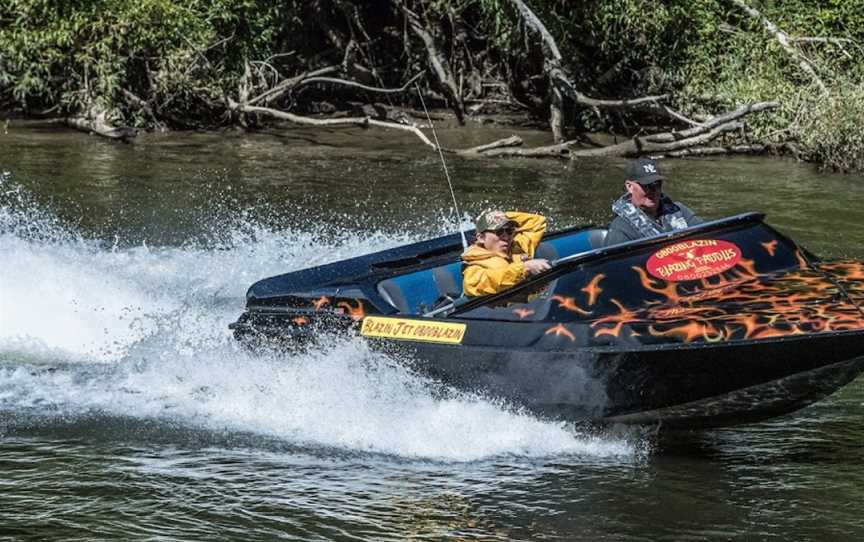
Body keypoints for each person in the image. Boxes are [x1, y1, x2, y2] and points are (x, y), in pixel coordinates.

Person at [603, 158, 704, 247]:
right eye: (647, 186)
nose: (654, 191)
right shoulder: (621, 228)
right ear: (630, 187)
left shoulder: (679, 210)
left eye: (657, 184)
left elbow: (706, 234)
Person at [462, 209, 551, 297]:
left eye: (509, 231)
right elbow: (473, 285)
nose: (506, 237)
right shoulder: (474, 265)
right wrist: (524, 268)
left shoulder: (517, 247)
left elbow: (537, 222)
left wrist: (506, 216)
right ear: (481, 238)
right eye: (499, 232)